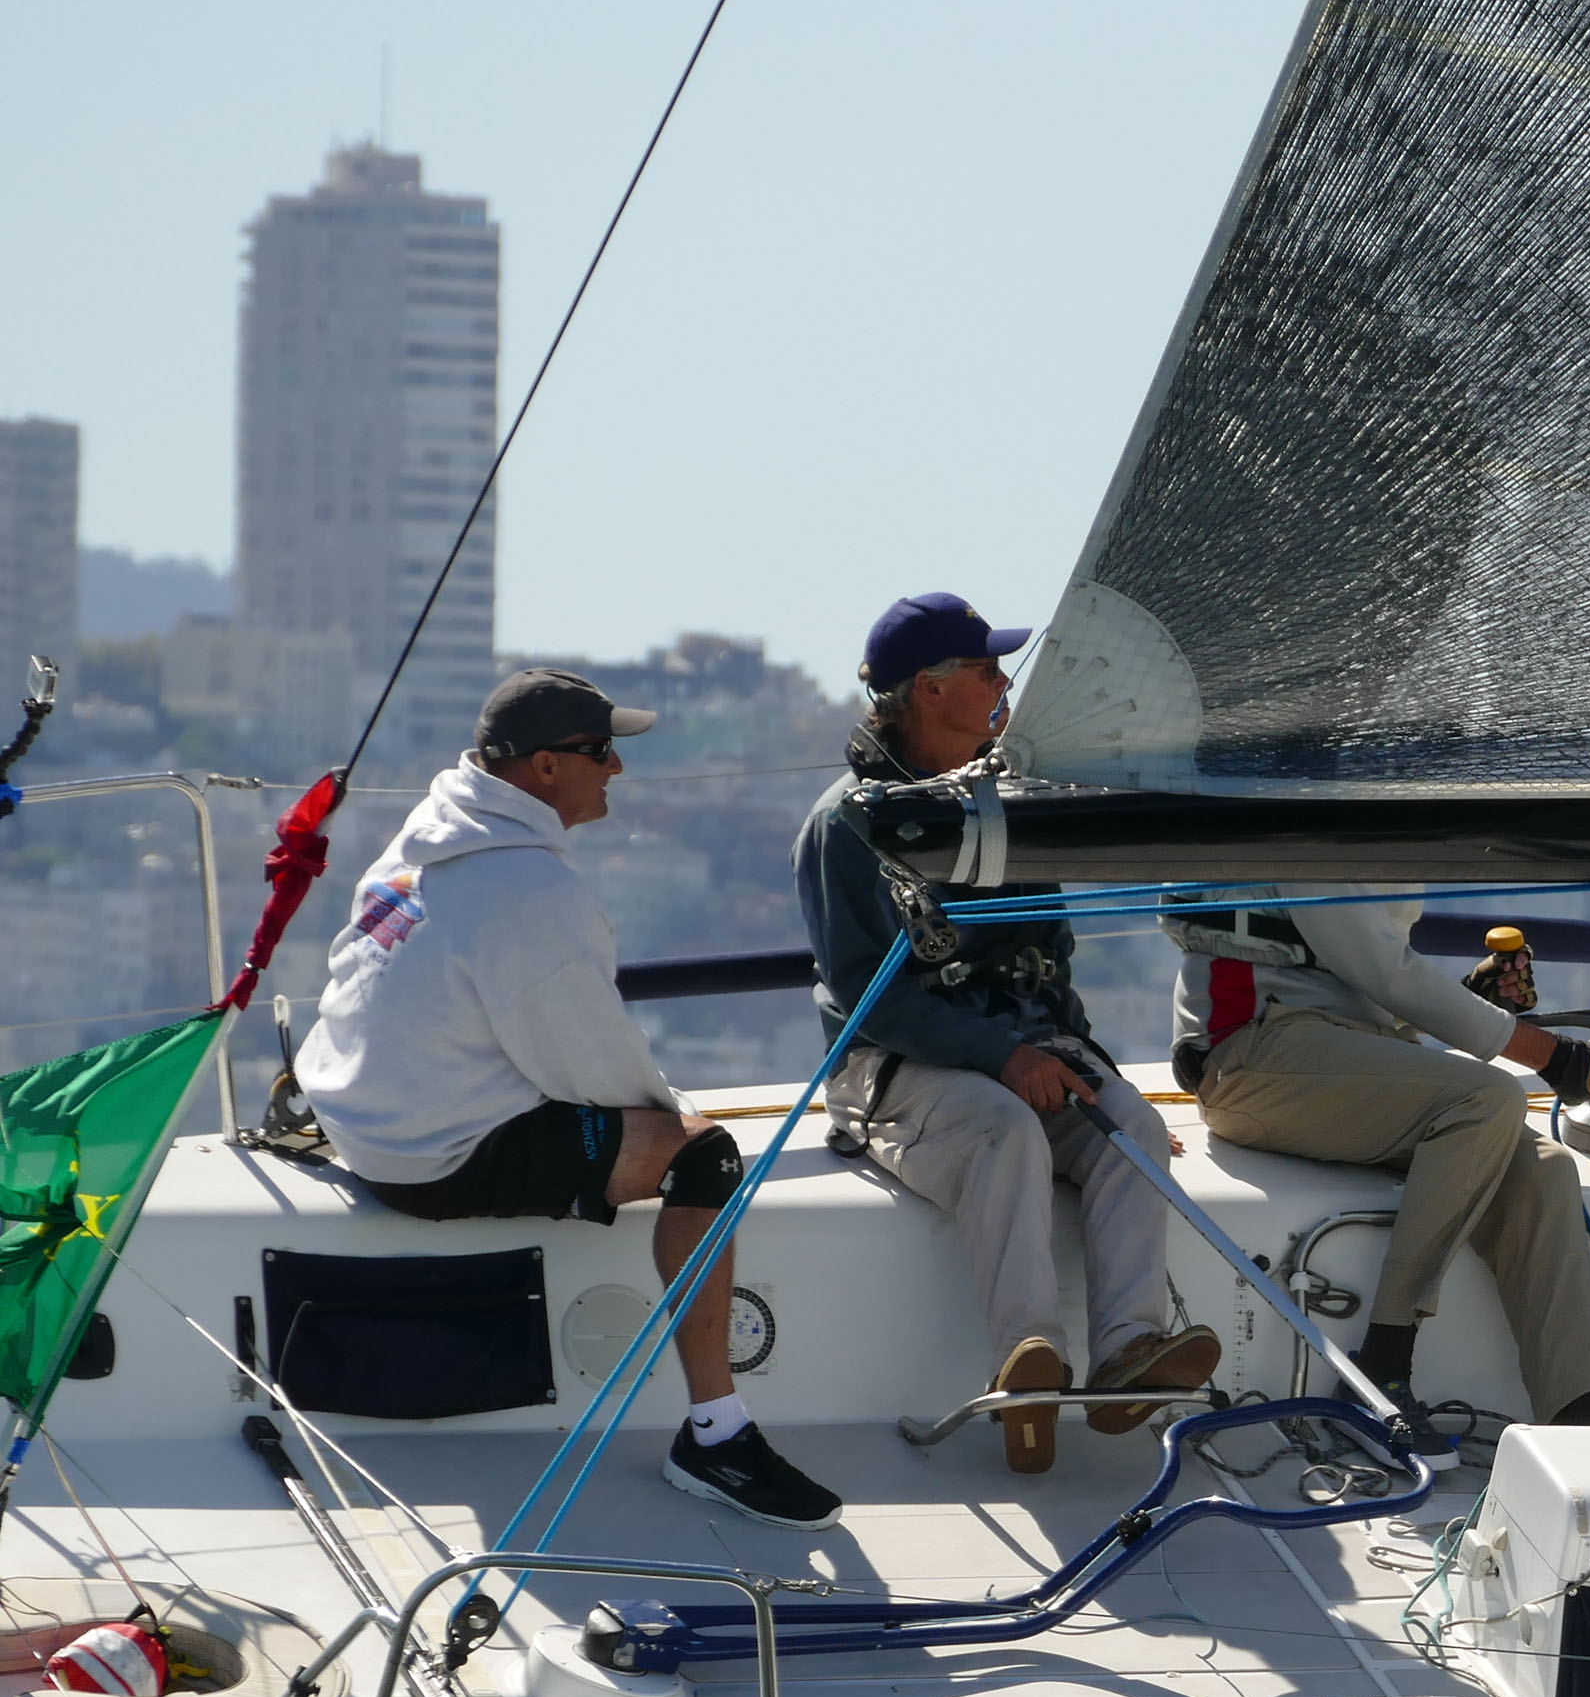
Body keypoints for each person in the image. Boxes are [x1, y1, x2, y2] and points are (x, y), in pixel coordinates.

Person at [298, 668, 839, 1528]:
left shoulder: (426, 837)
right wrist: (673, 1113)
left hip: (354, 1116)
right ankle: (717, 1436)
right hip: (432, 1158)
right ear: (544, 767)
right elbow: (599, 1068)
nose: (617, 768)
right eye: (601, 751)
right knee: (705, 1154)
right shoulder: (527, 890)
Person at [795, 595, 1216, 1473]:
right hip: (896, 1069)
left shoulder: (1000, 805)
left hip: (1022, 1051)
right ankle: (1029, 1360)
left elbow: (1049, 963)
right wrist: (1002, 1056)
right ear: (931, 690)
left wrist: (1096, 1075)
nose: (1004, 685)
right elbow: (870, 998)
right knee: (1004, 1129)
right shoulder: (846, 825)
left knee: (1133, 1132)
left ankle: (1129, 1351)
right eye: (987, 671)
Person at [1168, 896, 1590, 1432]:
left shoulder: (1375, 846)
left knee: (1543, 1167)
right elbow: (1375, 963)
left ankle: (1582, 1414)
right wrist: (1552, 1055)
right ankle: (1383, 1365)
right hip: (1250, 1055)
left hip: (1333, 1054)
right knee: (1488, 1098)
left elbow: (1365, 980)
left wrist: (1470, 998)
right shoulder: (1310, 839)